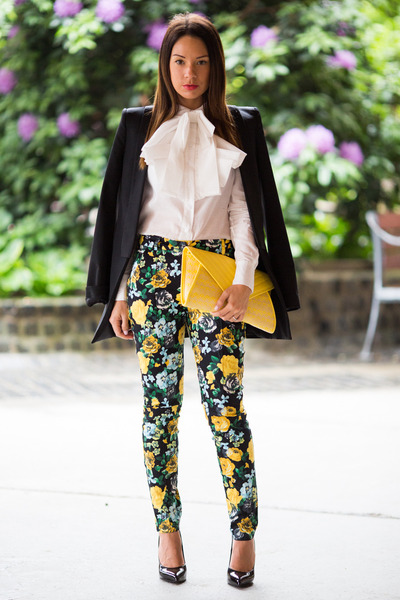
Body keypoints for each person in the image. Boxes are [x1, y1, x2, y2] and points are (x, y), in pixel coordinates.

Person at [86, 12, 299, 588]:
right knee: (159, 411)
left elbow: (244, 211)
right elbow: (126, 217)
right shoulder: (138, 126)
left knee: (226, 408)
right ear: (166, 65)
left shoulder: (239, 125)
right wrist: (119, 295)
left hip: (217, 275)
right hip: (151, 277)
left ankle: (243, 533)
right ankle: (168, 532)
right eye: (180, 61)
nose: (190, 73)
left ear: (215, 67)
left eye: (201, 62)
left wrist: (244, 278)